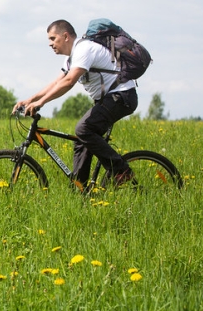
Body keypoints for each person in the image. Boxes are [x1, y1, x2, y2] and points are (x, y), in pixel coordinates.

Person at [13, 19, 138, 189]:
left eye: (52, 38)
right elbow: (57, 82)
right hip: (110, 99)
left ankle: (121, 170)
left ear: (65, 36)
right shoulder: (71, 59)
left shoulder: (84, 49)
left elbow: (69, 81)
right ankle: (81, 189)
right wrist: (31, 100)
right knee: (82, 138)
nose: (50, 44)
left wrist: (41, 103)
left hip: (122, 96)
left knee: (84, 129)